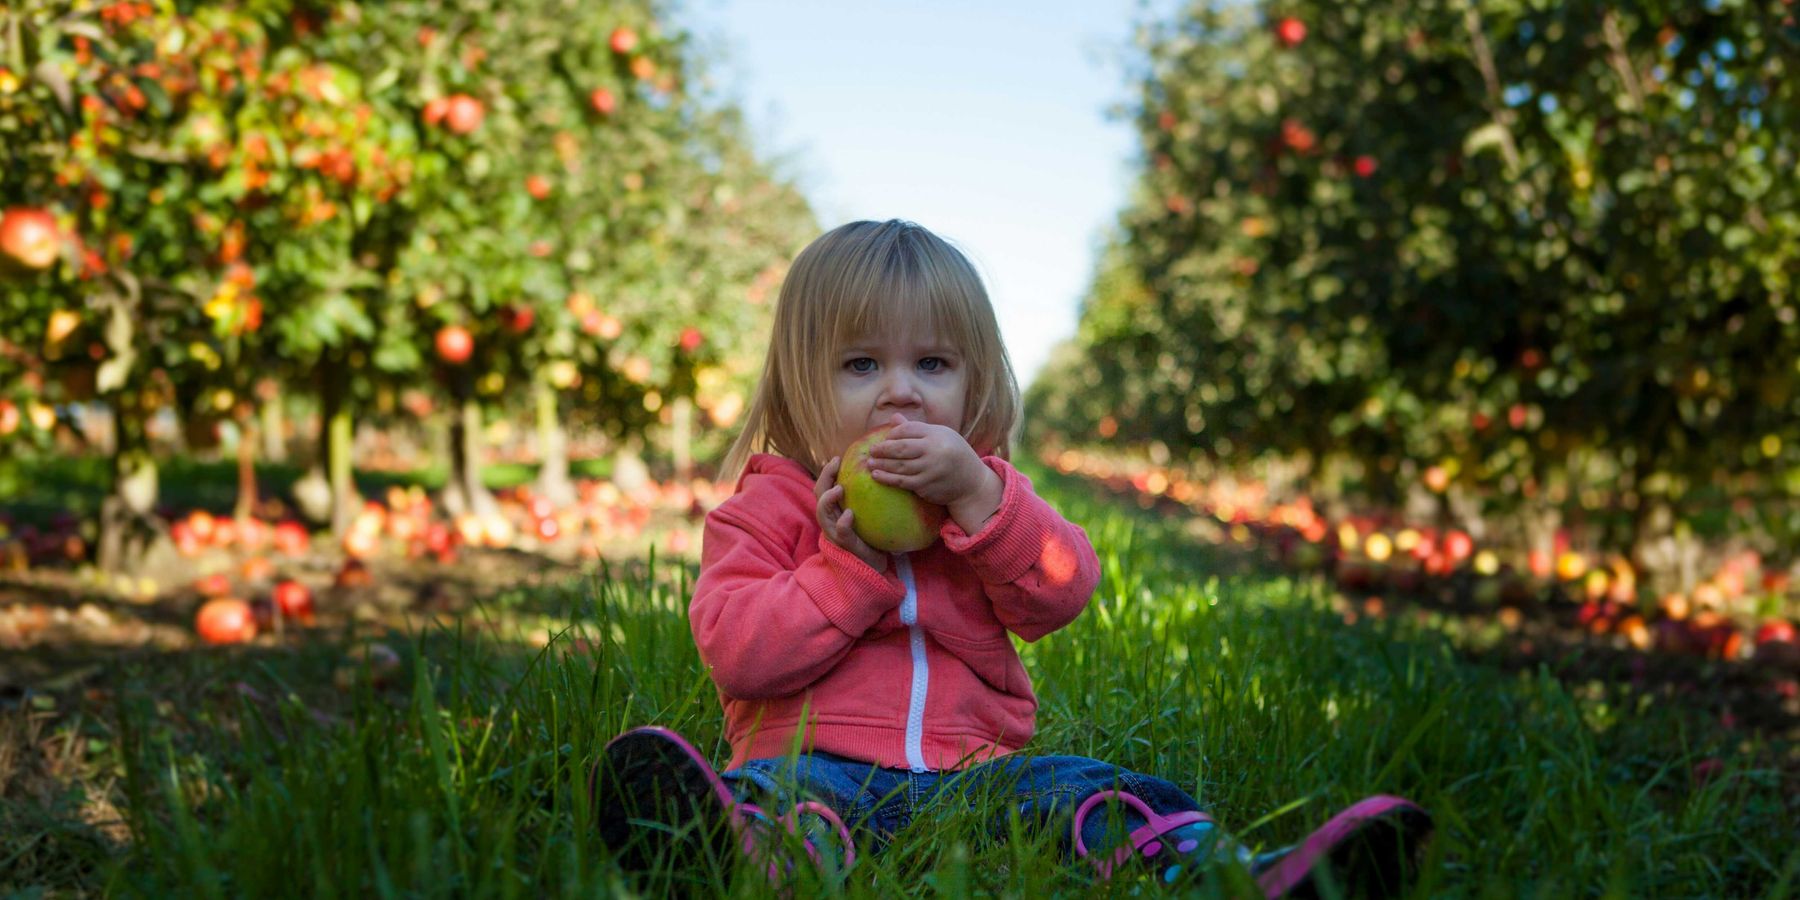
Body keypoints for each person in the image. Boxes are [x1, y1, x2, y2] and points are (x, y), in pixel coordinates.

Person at [591, 219, 1433, 893]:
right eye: (860, 364)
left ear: (974, 382)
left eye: (932, 363)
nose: (901, 390)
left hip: (977, 777)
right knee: (783, 804)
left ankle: (1244, 876)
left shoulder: (985, 497)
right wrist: (845, 571)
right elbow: (739, 653)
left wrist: (981, 503)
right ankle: (731, 849)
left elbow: (1060, 594)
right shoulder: (766, 511)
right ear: (797, 381)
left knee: (1097, 791)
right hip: (817, 763)